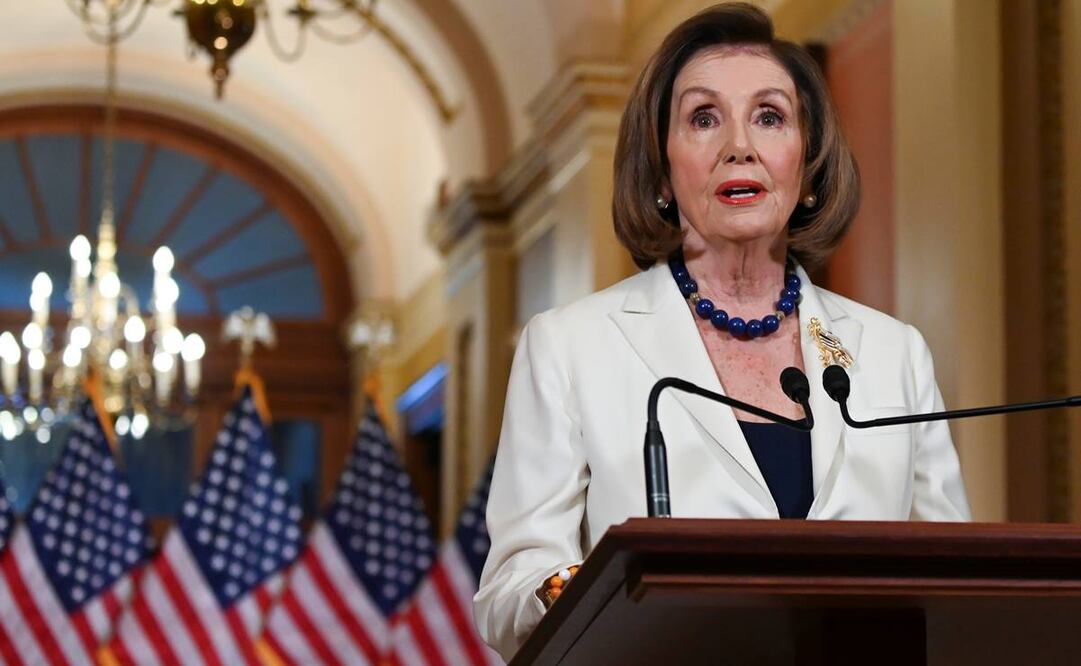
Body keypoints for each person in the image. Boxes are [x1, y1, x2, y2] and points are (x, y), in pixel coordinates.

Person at [474, 3, 971, 660]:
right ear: (660, 166)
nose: (738, 145)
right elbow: (510, 592)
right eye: (703, 118)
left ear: (807, 161)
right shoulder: (571, 346)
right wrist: (591, 585)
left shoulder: (891, 353)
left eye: (769, 116)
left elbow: (952, 577)